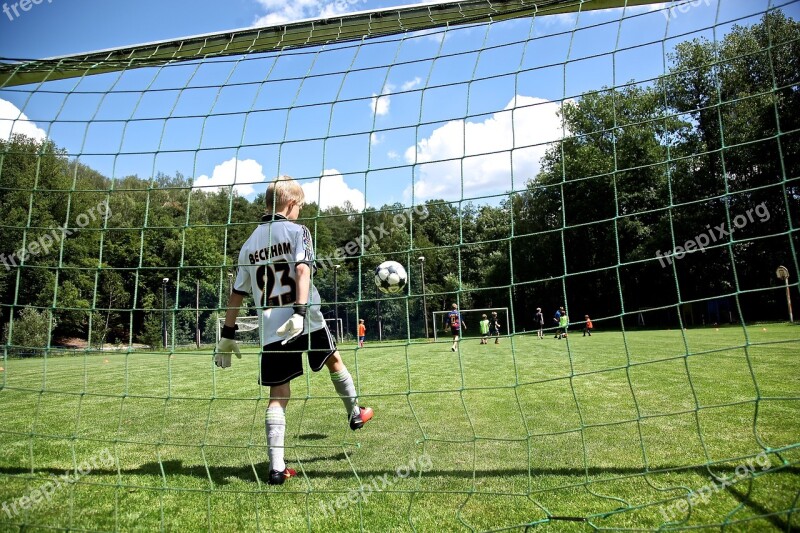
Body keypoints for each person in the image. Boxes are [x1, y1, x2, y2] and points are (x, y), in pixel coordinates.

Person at [215, 175, 373, 486]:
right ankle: (355, 412)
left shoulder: (248, 244)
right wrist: (300, 312)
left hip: (273, 328)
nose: (300, 210)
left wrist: (228, 335)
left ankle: (276, 467)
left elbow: (237, 294)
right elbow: (301, 269)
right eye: (299, 205)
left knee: (279, 394)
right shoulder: (299, 230)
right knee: (334, 360)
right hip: (307, 317)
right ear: (291, 205)